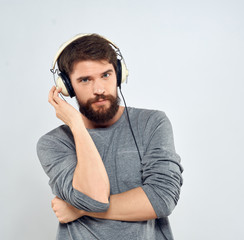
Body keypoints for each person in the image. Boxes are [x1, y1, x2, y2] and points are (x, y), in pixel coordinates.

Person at [37, 33, 183, 240]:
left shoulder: (152, 123)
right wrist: (77, 126)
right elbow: (94, 199)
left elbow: (161, 199)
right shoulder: (53, 143)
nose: (99, 89)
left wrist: (80, 210)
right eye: (85, 80)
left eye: (106, 75)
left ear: (119, 74)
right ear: (67, 87)